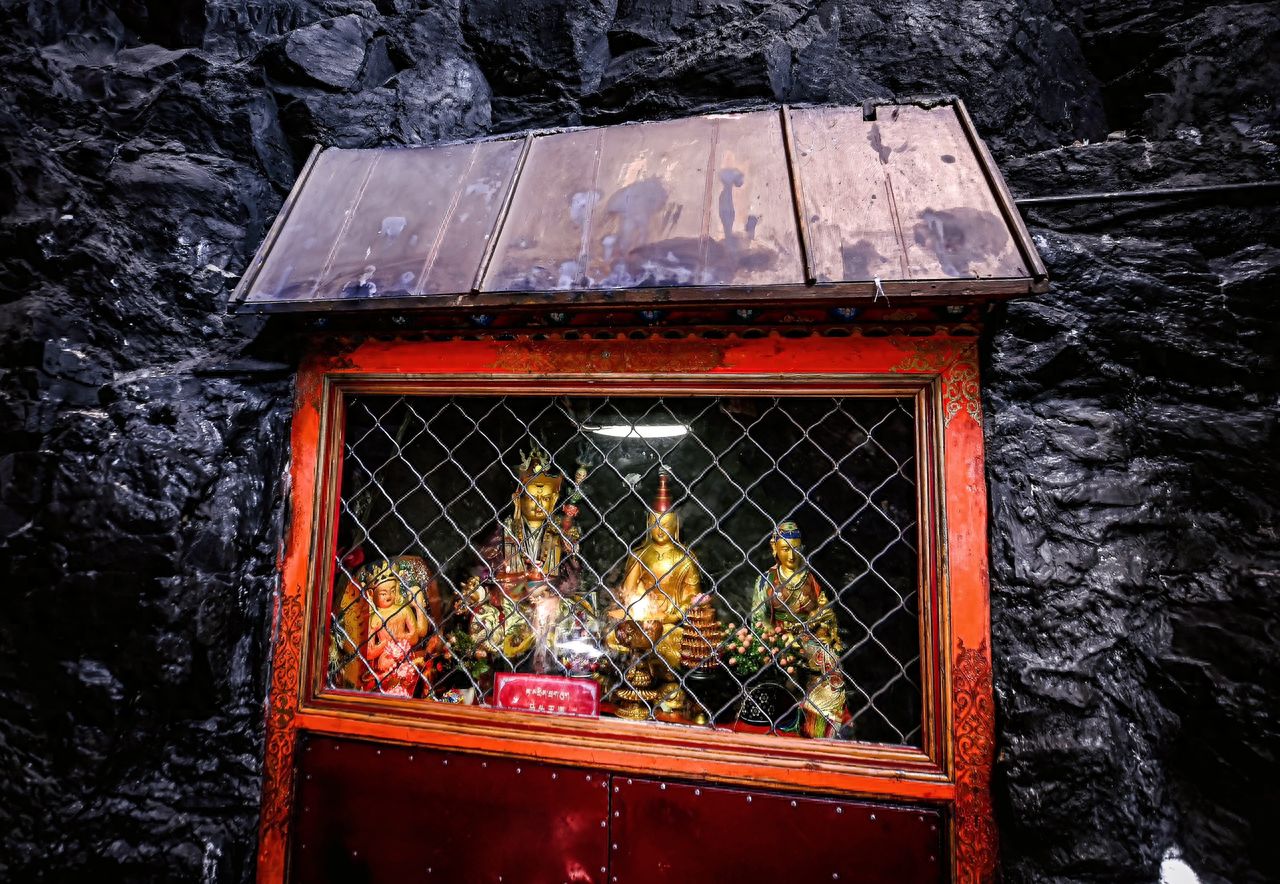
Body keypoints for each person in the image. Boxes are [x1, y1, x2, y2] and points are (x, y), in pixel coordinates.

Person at [748, 521, 851, 738]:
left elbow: (824, 607)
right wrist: (777, 636)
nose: (791, 556)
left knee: (829, 659)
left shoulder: (809, 577)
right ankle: (791, 716)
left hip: (809, 636)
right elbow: (758, 619)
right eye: (785, 549)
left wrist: (821, 620)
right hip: (780, 639)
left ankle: (820, 720)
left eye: (795, 549)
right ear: (774, 548)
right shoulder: (766, 581)